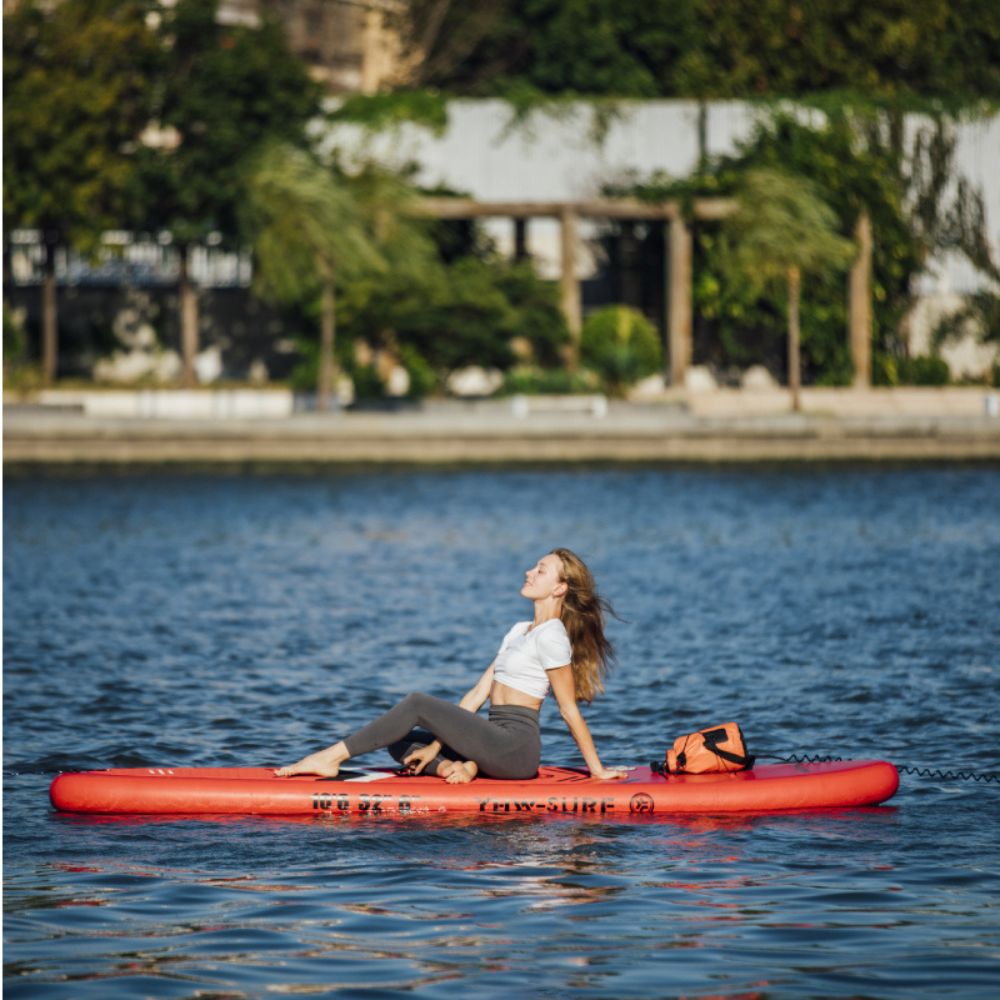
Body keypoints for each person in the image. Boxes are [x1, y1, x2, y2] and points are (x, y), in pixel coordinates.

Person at [275, 548, 627, 784]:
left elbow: (568, 710)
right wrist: (435, 748)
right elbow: (476, 696)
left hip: (515, 749)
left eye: (541, 570)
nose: (529, 572)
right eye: (534, 566)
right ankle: (453, 769)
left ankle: (328, 757)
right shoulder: (520, 631)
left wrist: (597, 771)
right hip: (492, 739)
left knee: (416, 704)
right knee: (401, 738)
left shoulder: (552, 636)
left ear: (559, 588)